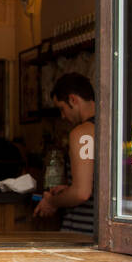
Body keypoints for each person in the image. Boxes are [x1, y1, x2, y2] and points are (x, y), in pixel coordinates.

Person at [33, 72, 96, 235]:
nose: (62, 116)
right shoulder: (114, 127)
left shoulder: (83, 133)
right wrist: (68, 189)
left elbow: (82, 193)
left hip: (84, 230)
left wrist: (51, 201)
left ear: (73, 100)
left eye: (62, 108)